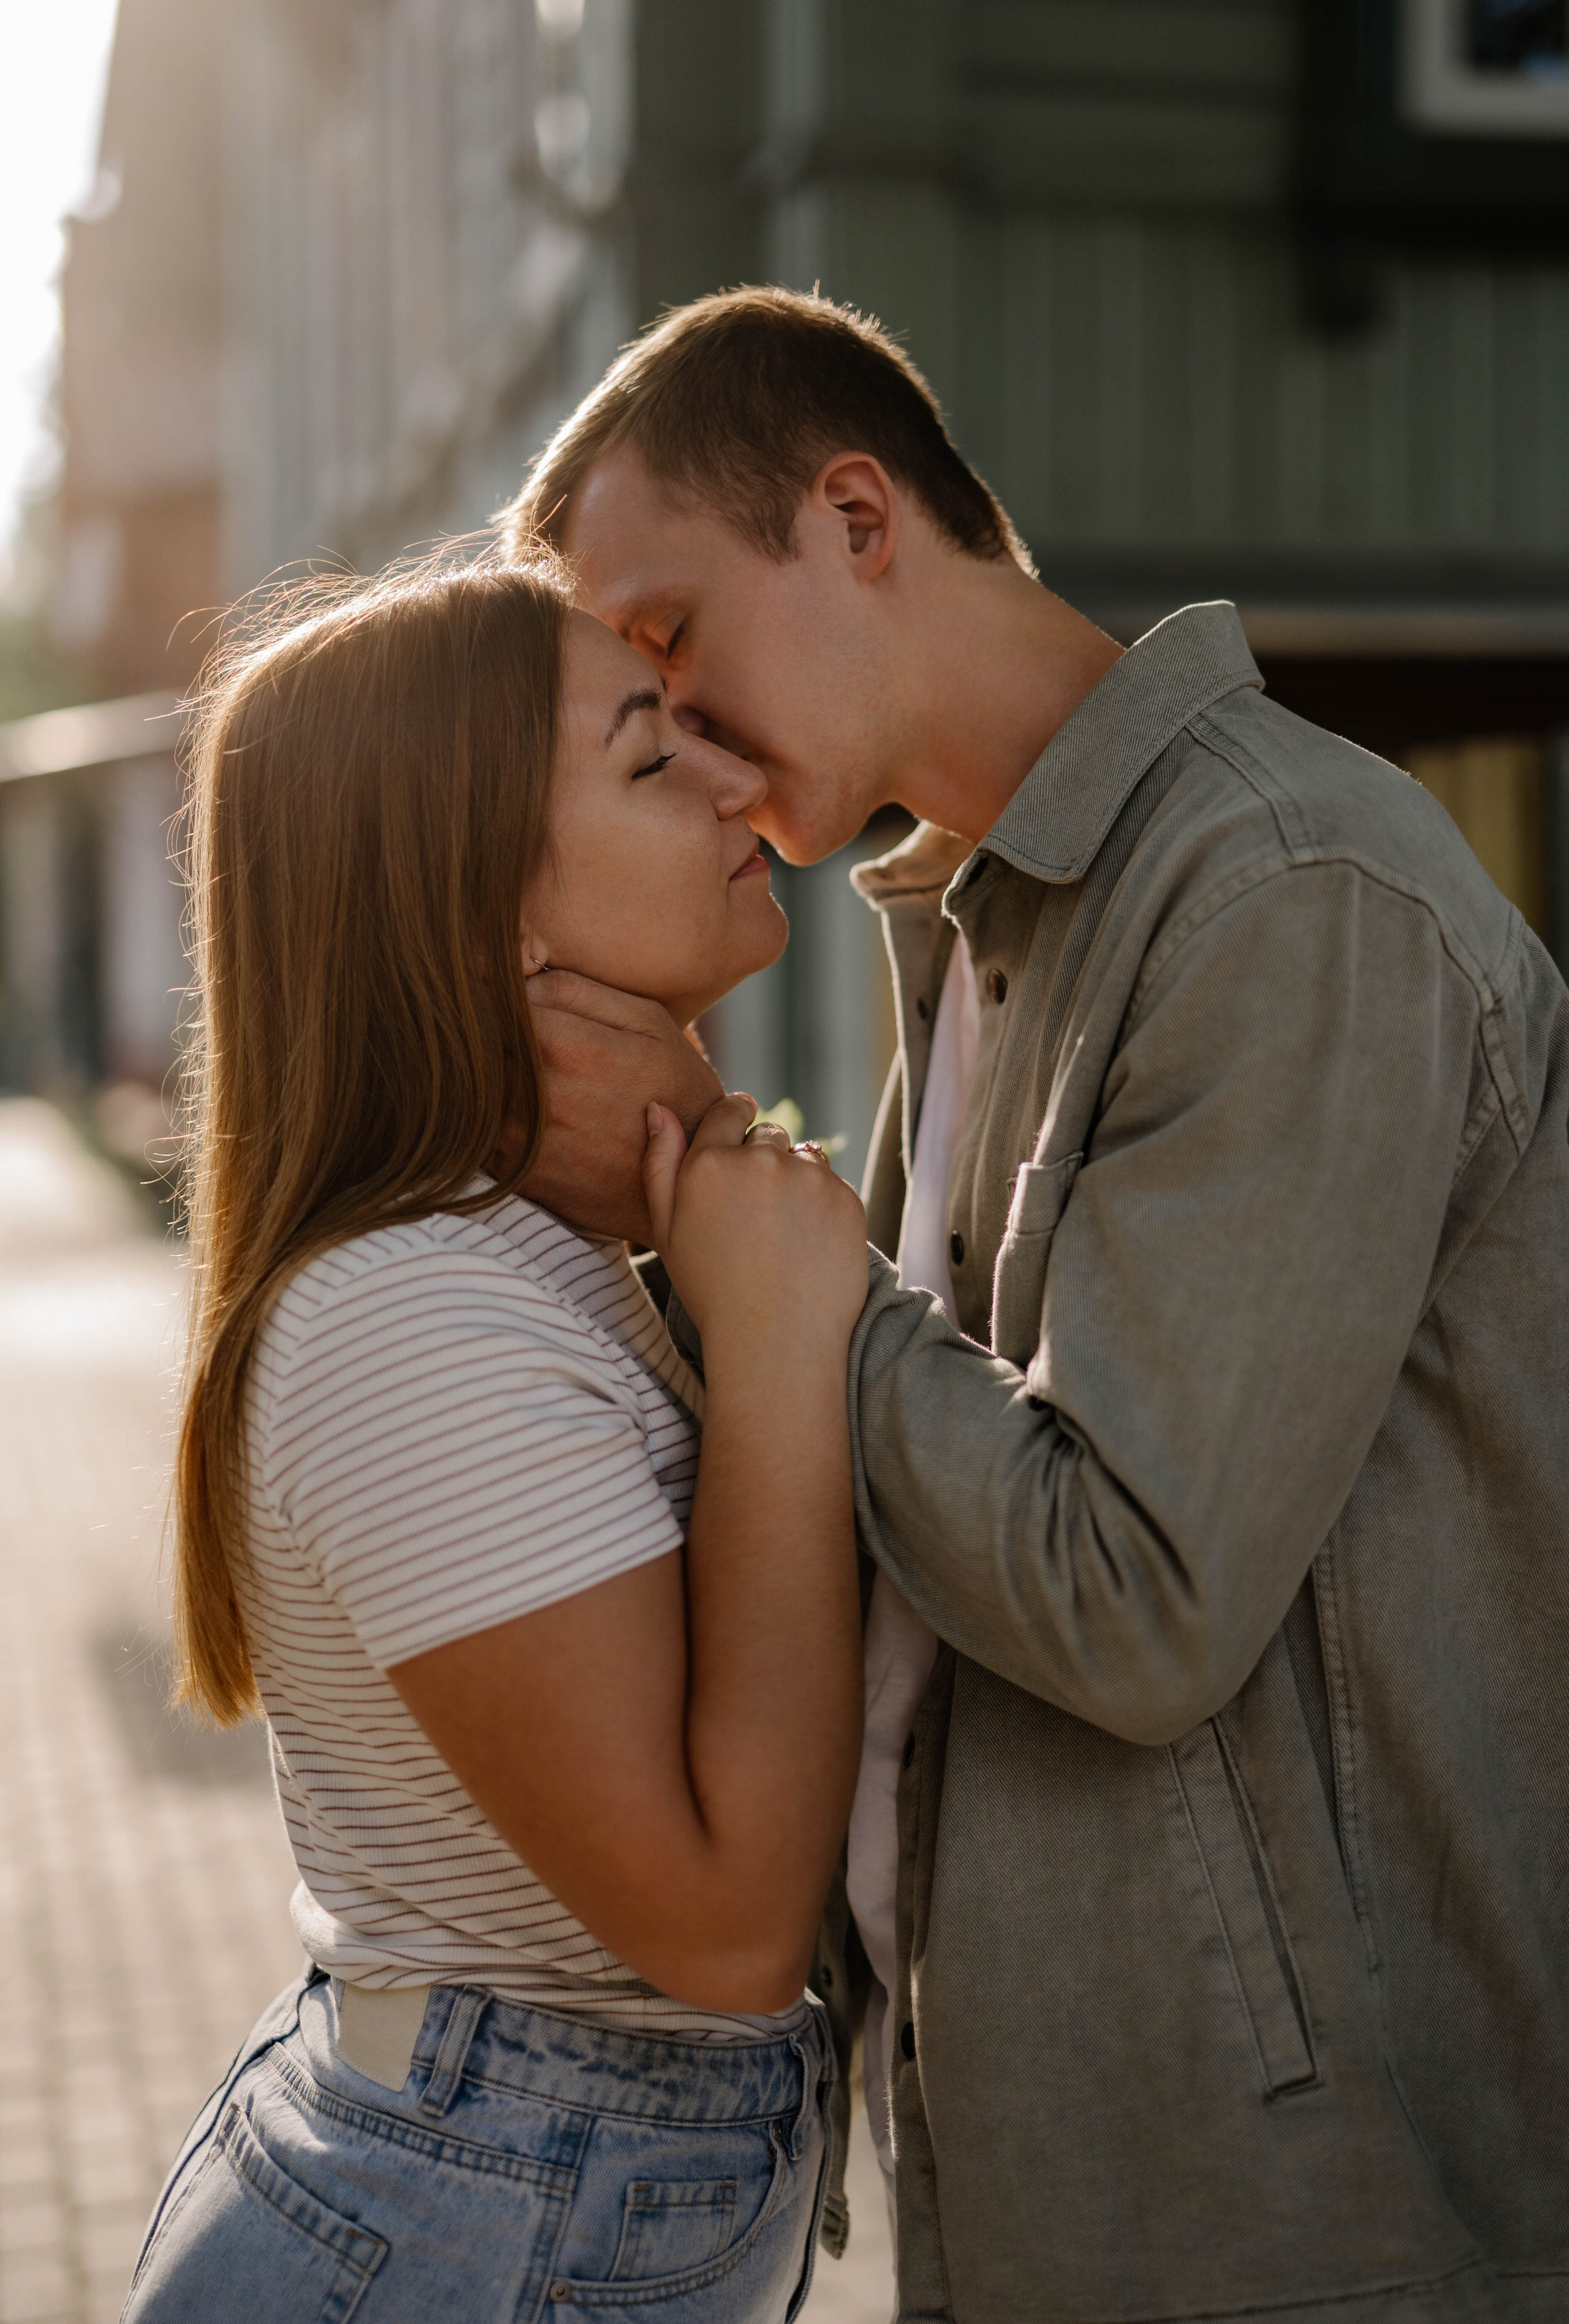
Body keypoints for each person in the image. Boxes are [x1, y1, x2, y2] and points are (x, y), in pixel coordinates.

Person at [501, 289, 1569, 2322]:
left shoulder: (1282, 890)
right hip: (1056, 2182)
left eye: (665, 639)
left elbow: (1130, 1590)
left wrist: (770, 1250)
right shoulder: (999, 928)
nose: (682, 736)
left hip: (1322, 2224)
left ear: (854, 515)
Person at [123, 551, 870, 2324]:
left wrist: (708, 1159)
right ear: (486, 920)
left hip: (506, 2210)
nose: (735, 779)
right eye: (647, 756)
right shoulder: (414, 1320)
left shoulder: (539, 1248)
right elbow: (727, 1926)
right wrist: (774, 1342)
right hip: (468, 2237)